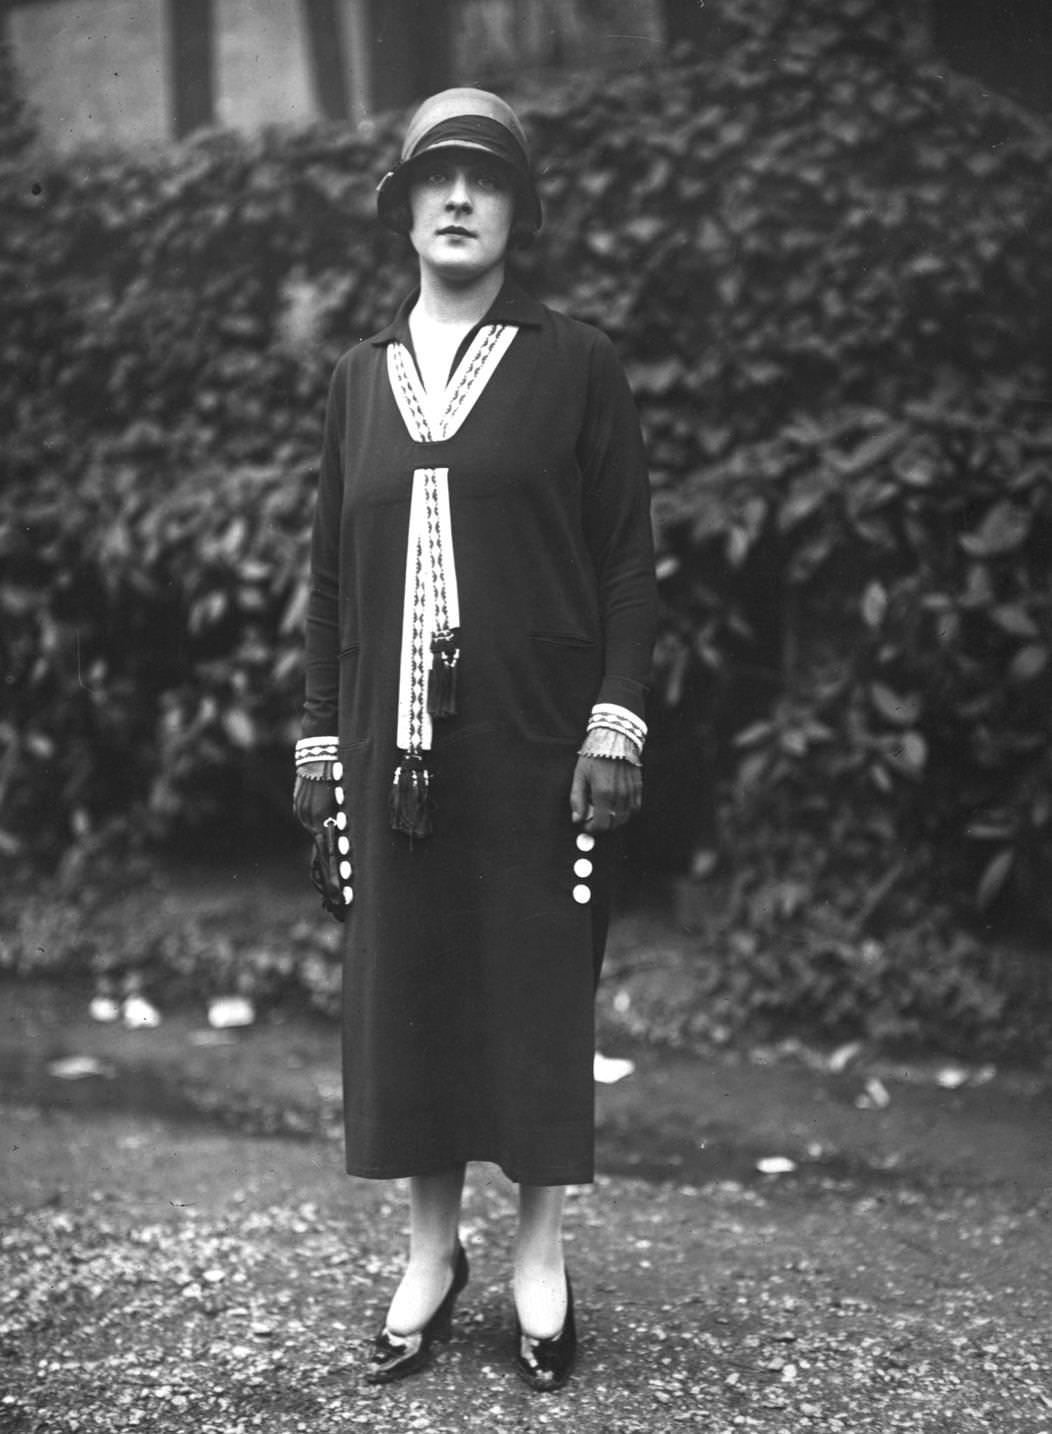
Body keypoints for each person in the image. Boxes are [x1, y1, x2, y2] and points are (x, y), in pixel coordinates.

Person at [293, 87, 657, 1392]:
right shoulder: (355, 383)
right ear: (404, 209)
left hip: (539, 750)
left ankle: (540, 1253)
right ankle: (431, 1249)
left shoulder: (577, 363)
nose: (457, 198)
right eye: (434, 178)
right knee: (418, 987)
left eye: (484, 179)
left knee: (536, 986)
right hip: (399, 764)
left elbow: (627, 560)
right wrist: (317, 741)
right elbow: (333, 581)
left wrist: (615, 718)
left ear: (518, 210)